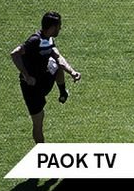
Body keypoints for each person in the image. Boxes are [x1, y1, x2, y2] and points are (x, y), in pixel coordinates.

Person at [11, 12, 81, 143]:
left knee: (56, 64)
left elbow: (58, 58)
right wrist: (26, 76)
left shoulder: (49, 39)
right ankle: (41, 150)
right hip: (31, 87)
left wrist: (72, 72)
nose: (60, 28)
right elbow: (15, 54)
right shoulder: (34, 40)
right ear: (53, 27)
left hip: (44, 79)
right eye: (59, 26)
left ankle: (63, 92)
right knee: (38, 120)